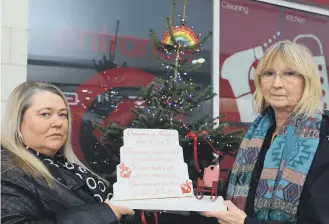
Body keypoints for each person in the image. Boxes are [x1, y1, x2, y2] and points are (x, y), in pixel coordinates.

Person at [201, 40, 329, 223]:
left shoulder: (323, 137)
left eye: (289, 74)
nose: (276, 83)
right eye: (269, 73)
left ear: (307, 81)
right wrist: (201, 198)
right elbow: (237, 201)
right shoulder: (257, 134)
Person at [1, 81, 135, 223]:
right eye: (45, 114)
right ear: (17, 122)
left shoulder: (65, 166)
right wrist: (104, 213)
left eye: (62, 114)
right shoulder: (7, 172)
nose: (58, 122)